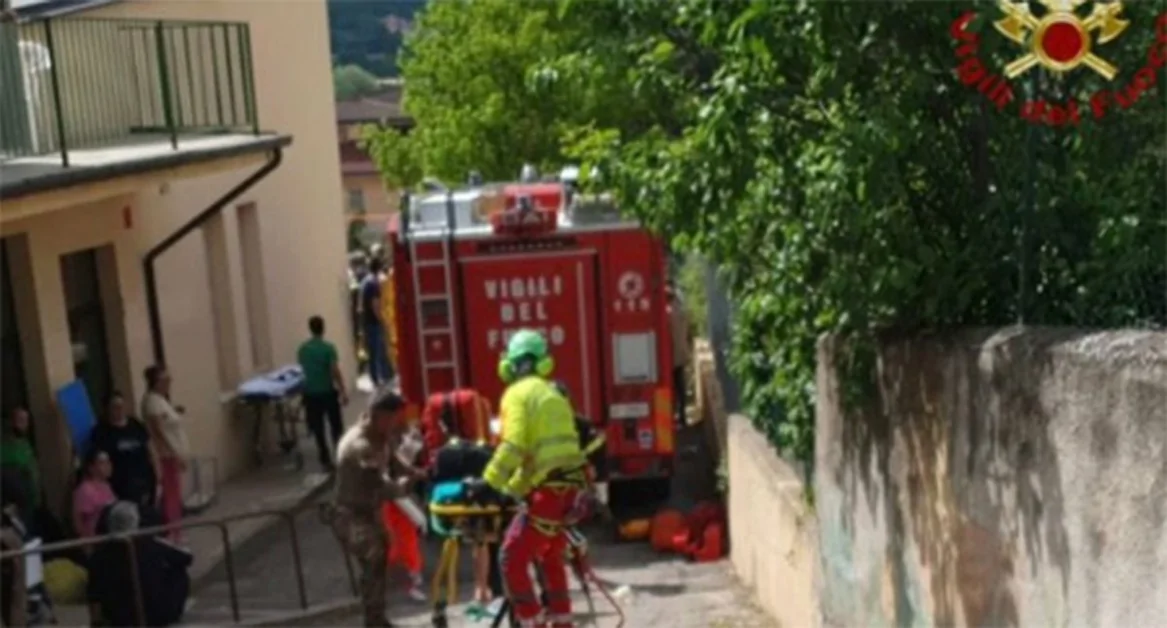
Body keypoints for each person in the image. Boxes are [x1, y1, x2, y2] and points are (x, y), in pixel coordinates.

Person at [480, 329, 589, 628]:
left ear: (510, 364)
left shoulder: (517, 394)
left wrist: (489, 483)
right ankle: (562, 622)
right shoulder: (553, 393)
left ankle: (532, 623)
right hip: (568, 494)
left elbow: (514, 445)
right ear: (542, 361)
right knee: (550, 558)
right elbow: (535, 458)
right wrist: (512, 488)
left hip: (548, 495)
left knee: (511, 558)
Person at [326, 388, 416, 627]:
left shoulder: (380, 434)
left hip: (369, 512)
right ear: (376, 415)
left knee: (381, 556)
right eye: (390, 418)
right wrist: (404, 487)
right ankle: (373, 619)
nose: (394, 423)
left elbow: (395, 460)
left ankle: (376, 618)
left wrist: (417, 472)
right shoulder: (360, 445)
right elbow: (380, 485)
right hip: (349, 515)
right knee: (374, 554)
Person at [87, 501, 192, 627]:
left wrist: (96, 621)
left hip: (117, 617)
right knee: (178, 572)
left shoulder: (100, 554)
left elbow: (93, 593)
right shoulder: (149, 543)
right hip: (155, 615)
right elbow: (186, 558)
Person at [140, 366, 190, 541]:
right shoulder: (152, 401)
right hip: (166, 455)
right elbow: (158, 430)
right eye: (165, 381)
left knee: (174, 492)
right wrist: (174, 453)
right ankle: (173, 532)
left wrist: (175, 412)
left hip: (170, 453)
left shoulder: (160, 400)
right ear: (156, 382)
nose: (168, 384)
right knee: (171, 494)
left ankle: (175, 529)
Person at [90, 391, 162, 511]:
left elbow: (151, 449)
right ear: (108, 409)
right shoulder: (101, 431)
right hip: (120, 484)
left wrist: (158, 475)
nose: (120, 410)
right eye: (115, 407)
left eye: (122, 406)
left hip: (144, 480)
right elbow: (100, 460)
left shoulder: (135, 425)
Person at [297, 316, 350, 471]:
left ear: (310, 329)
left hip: (310, 393)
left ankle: (324, 458)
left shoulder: (303, 350)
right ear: (323, 328)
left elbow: (302, 369)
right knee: (335, 425)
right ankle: (340, 455)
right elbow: (334, 371)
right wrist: (343, 390)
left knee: (318, 427)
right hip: (327, 391)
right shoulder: (328, 348)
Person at [360, 257, 393, 387]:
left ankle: (376, 378)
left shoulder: (365, 282)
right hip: (374, 322)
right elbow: (376, 305)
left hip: (367, 321)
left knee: (373, 352)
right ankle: (381, 378)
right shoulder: (374, 284)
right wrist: (382, 321)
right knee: (378, 351)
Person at [0, 407, 40, 514]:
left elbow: (33, 474)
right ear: (11, 422)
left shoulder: (26, 446)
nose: (24, 424)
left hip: (29, 503)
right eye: (20, 420)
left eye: (26, 421)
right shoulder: (4, 448)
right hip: (11, 507)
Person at [72, 449, 117, 540]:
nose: (108, 466)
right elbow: (78, 521)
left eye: (108, 462)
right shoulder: (85, 489)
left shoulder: (107, 486)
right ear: (91, 467)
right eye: (102, 463)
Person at [667, 285, 693, 426]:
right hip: (680, 356)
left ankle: (673, 416)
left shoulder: (667, 313)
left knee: (671, 390)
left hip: (667, 359)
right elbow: (689, 332)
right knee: (681, 388)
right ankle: (682, 417)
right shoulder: (682, 311)